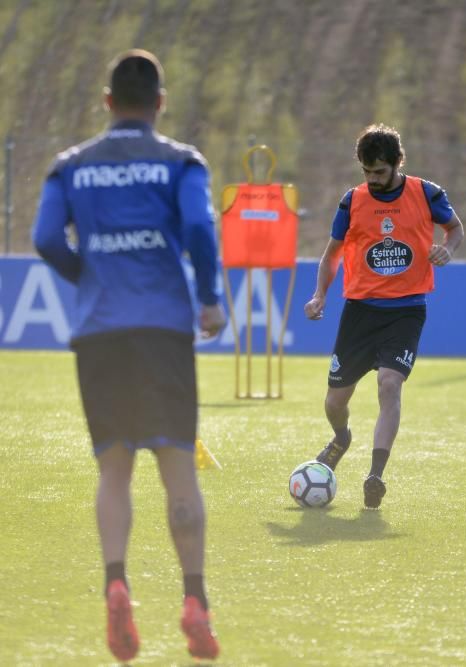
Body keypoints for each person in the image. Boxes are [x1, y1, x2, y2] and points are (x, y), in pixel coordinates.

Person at [31, 49, 224, 662]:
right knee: (178, 471)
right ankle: (194, 599)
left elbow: (43, 239)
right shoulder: (180, 163)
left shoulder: (70, 166)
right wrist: (211, 297)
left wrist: (88, 271)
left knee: (113, 470)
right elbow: (199, 228)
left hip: (101, 330)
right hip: (163, 328)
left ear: (108, 102)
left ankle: (116, 584)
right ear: (160, 103)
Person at [304, 123, 464, 509]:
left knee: (390, 385)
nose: (373, 179)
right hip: (360, 311)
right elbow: (332, 254)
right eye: (366, 172)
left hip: (406, 310)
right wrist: (320, 294)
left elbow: (454, 228)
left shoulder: (427, 194)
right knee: (334, 402)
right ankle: (341, 438)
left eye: (379, 171)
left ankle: (376, 475)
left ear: (397, 164)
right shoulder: (352, 201)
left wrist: (448, 248)